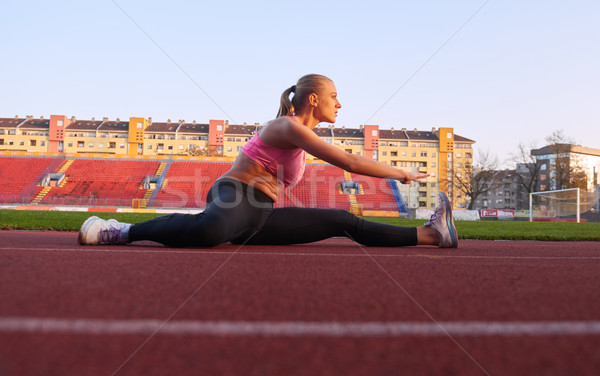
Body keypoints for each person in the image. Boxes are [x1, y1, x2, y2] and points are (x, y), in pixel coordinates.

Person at [78, 74, 458, 248]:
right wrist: (402, 173)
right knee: (211, 233)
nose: (339, 104)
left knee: (343, 221)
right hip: (234, 195)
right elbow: (348, 161)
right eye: (334, 96)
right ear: (313, 99)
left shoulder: (301, 136)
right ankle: (120, 231)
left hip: (261, 215)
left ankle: (431, 234)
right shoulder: (287, 126)